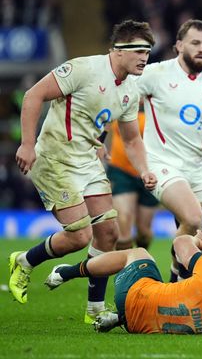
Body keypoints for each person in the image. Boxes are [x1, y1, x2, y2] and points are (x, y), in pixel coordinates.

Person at [10, 20, 158, 323]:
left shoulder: (131, 90)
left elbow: (130, 139)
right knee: (79, 236)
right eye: (139, 50)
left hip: (88, 162)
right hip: (54, 158)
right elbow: (32, 95)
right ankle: (24, 261)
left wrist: (144, 170)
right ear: (118, 50)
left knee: (109, 233)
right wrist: (27, 145)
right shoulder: (83, 69)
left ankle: (94, 309)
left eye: (148, 51)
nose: (145, 57)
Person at [136, 19, 202, 282]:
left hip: (196, 169)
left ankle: (175, 280)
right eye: (195, 43)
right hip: (161, 162)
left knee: (190, 231)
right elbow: (122, 99)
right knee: (194, 217)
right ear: (179, 45)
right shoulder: (155, 74)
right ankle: (175, 280)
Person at [44, 229, 202, 334]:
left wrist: (199, 242)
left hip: (135, 297)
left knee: (139, 254)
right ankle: (117, 318)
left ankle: (68, 271)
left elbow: (179, 243)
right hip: (138, 326)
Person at [104, 109, 159, 251]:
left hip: (150, 172)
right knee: (123, 220)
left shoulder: (157, 106)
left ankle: (142, 260)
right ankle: (126, 269)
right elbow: (106, 126)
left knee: (144, 232)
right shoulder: (121, 101)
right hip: (121, 171)